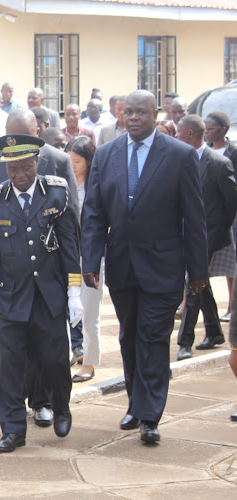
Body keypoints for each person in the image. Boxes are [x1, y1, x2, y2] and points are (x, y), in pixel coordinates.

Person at [82, 90, 208, 444]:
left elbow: (194, 218)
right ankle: (135, 404)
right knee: (129, 336)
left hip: (164, 265)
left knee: (152, 337)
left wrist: (197, 270)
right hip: (122, 264)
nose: (134, 118)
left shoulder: (180, 155)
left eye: (141, 112)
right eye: (128, 112)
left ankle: (151, 415)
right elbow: (93, 213)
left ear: (156, 114)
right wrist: (91, 260)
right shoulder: (106, 155)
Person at [0, 134, 81, 452]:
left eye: (26, 167)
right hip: (9, 299)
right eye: (13, 169)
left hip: (48, 296)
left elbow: (70, 247)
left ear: (37, 163)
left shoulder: (56, 194)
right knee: (9, 365)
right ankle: (12, 429)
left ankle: (61, 408)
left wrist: (73, 291)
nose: (20, 176)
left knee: (55, 361)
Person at [175, 115, 237, 359]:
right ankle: (214, 332)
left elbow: (231, 202)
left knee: (193, 283)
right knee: (202, 283)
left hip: (209, 236)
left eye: (179, 133)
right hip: (183, 234)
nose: (176, 137)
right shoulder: (178, 161)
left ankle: (184, 342)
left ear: (190, 134)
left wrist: (216, 231)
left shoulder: (219, 164)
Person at [65, 136, 101, 383]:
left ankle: (89, 362)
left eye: (77, 161)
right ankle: (75, 352)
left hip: (90, 256)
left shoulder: (97, 187)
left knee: (89, 311)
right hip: (67, 255)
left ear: (88, 161)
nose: (72, 166)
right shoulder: (64, 185)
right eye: (69, 161)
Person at [205, 111, 237, 322]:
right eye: (205, 129)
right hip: (211, 216)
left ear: (223, 130)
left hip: (231, 215)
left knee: (232, 265)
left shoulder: (233, 152)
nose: (207, 132)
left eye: (211, 129)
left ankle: (232, 308)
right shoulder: (204, 152)